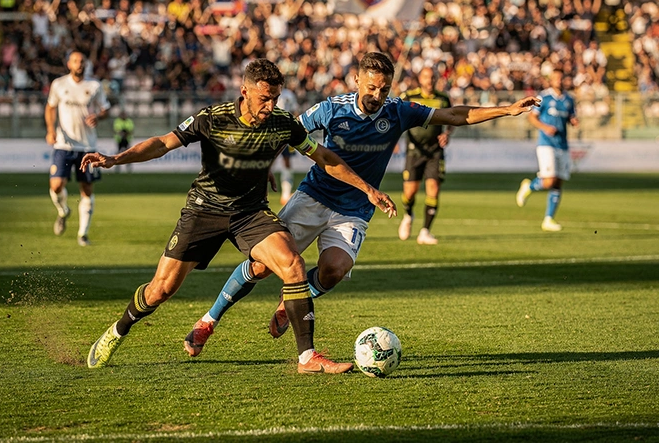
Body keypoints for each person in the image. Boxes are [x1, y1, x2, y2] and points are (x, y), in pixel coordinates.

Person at [182, 53, 540, 356]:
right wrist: (267, 165)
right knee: (260, 266)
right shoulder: (330, 109)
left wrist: (507, 110)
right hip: (313, 198)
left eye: (384, 89)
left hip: (354, 210)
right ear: (356, 80)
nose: (377, 94)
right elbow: (287, 132)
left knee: (333, 271)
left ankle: (290, 299)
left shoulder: (398, 111)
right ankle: (208, 321)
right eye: (371, 87)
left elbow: (453, 115)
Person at [81, 58, 397, 374]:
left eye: (275, 98)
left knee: (293, 264)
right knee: (159, 291)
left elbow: (323, 156)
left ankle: (307, 358)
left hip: (250, 213)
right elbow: (164, 143)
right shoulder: (212, 118)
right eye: (264, 98)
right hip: (204, 211)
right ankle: (118, 330)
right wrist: (115, 159)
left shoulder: (282, 122)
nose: (270, 105)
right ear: (244, 91)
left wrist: (367, 189)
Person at [44, 51, 110, 246]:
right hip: (63, 144)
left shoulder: (94, 86)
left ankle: (83, 234)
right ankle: (63, 210)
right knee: (56, 185)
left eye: (82, 61)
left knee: (87, 189)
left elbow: (105, 109)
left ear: (85, 64)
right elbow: (50, 107)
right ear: (69, 64)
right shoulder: (59, 84)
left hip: (87, 146)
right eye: (75, 61)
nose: (79, 64)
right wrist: (50, 130)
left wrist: (98, 116)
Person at [516, 68, 579, 231]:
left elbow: (571, 117)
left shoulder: (569, 100)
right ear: (550, 80)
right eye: (555, 78)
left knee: (558, 182)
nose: (558, 80)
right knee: (549, 179)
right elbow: (531, 117)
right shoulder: (544, 97)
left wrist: (573, 121)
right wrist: (545, 127)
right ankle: (529, 187)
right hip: (546, 144)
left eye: (561, 77)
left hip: (562, 144)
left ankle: (548, 219)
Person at [398, 67, 453, 245]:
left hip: (435, 151)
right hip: (414, 151)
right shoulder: (408, 97)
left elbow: (452, 119)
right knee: (410, 192)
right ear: (420, 80)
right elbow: (394, 116)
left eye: (432, 77)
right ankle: (408, 215)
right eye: (426, 77)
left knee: (433, 189)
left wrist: (447, 134)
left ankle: (425, 231)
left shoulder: (443, 99)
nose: (429, 81)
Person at [276, 86, 299, 204]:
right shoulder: (271, 92)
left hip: (286, 132)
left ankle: (285, 194)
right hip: (272, 131)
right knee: (266, 162)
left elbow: (295, 112)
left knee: (287, 161)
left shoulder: (289, 94)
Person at [113, 109, 135, 173]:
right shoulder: (117, 121)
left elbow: (131, 130)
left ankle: (129, 167)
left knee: (128, 154)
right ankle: (117, 167)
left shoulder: (129, 121)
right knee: (118, 154)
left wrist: (124, 133)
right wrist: (123, 133)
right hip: (119, 140)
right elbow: (116, 130)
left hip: (127, 140)